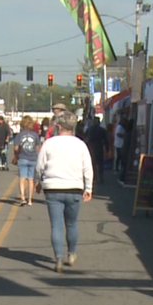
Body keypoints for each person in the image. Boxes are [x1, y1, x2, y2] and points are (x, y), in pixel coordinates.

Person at [35, 111, 93, 274]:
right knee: (72, 223)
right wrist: (88, 188)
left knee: (56, 225)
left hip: (53, 187)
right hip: (74, 187)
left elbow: (40, 165)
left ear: (58, 126)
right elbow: (87, 168)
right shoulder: (80, 144)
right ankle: (71, 253)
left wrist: (39, 181)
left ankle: (58, 258)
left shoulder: (49, 144)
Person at [12, 115, 42, 206]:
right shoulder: (35, 135)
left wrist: (16, 156)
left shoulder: (19, 135)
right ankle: (30, 200)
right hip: (33, 158)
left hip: (22, 157)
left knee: (22, 179)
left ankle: (23, 198)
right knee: (31, 179)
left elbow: (16, 148)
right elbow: (38, 148)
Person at [83, 116, 109, 185]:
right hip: (99, 147)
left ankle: (93, 178)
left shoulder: (89, 129)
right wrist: (107, 149)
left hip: (91, 147)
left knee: (92, 163)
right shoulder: (102, 130)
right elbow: (106, 140)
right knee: (100, 163)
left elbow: (85, 138)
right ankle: (101, 176)